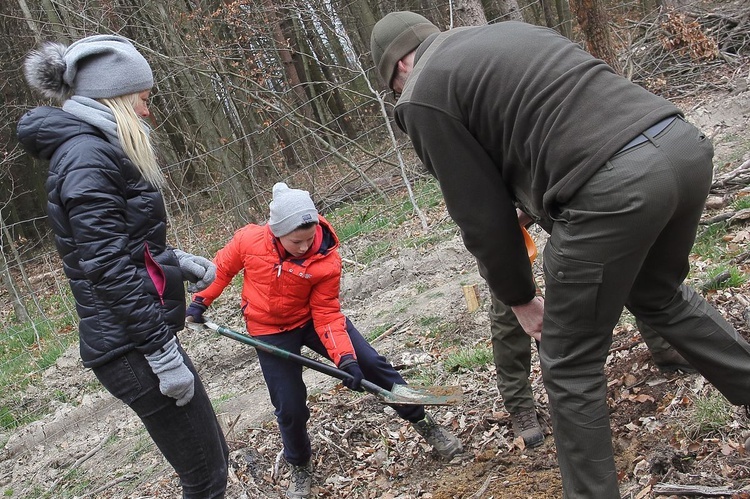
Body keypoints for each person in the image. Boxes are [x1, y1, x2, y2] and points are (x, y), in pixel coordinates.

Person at [370, 12, 750, 498]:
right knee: (660, 295)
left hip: (614, 188)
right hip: (681, 146)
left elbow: (481, 217)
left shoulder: (422, 94)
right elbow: (558, 127)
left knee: (569, 363)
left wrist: (520, 299)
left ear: (400, 65)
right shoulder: (509, 34)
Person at [18, 35, 229, 498]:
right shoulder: (86, 158)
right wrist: (162, 354)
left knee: (212, 464)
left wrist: (175, 263)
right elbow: (107, 269)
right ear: (114, 97)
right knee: (206, 478)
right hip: (132, 349)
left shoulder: (92, 151)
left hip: (134, 338)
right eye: (144, 98)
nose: (148, 111)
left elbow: (118, 248)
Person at [184, 182, 463, 499]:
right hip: (268, 329)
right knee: (288, 406)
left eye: (309, 238)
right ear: (276, 233)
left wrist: (346, 359)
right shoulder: (249, 240)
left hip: (313, 321)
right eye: (296, 241)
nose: (305, 247)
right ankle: (300, 466)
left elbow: (327, 314)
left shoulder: (326, 258)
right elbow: (219, 270)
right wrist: (200, 302)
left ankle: (425, 422)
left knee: (372, 364)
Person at [490, 216, 695, 449]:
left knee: (626, 247)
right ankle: (520, 406)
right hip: (502, 206)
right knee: (509, 301)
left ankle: (664, 345)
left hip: (561, 188)